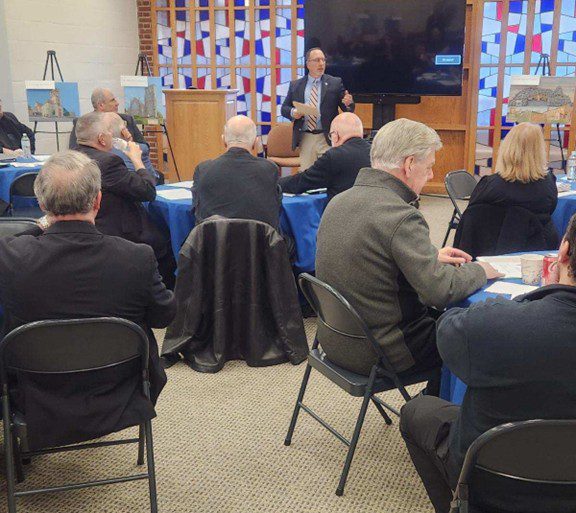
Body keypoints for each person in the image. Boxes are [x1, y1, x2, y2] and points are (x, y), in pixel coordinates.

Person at [400, 215, 576, 513]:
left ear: (563, 251)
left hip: (491, 483)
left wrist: (532, 300)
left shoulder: (495, 325)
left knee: (416, 411)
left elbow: (446, 331)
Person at [315, 118, 500, 394]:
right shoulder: (400, 215)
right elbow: (441, 291)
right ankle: (439, 409)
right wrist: (481, 270)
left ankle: (433, 400)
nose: (430, 175)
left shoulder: (338, 202)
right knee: (476, 336)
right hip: (382, 352)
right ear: (410, 164)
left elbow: (369, 257)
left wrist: (429, 256)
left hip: (334, 341)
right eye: (429, 167)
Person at [0, 150, 175, 409]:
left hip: (34, 394)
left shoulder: (11, 256)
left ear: (42, 204)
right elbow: (164, 316)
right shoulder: (137, 257)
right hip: (121, 391)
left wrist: (40, 225)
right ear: (98, 201)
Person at [75, 111, 175, 289]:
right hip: (117, 230)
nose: (112, 136)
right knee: (168, 242)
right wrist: (137, 160)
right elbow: (147, 191)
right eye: (109, 132)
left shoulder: (74, 157)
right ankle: (161, 295)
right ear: (101, 139)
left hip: (87, 227)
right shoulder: (108, 162)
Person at [466, 122, 558, 246]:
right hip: (538, 247)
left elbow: (471, 218)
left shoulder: (489, 185)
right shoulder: (548, 184)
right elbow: (552, 210)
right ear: (539, 151)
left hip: (493, 248)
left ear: (507, 148)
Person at [192, 115, 282, 229]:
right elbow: (276, 208)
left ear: (223, 140)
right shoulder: (270, 169)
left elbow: (196, 209)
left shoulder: (203, 169)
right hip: (260, 239)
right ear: (255, 142)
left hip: (213, 239)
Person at [281, 48, 355, 170]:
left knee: (328, 173)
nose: (321, 64)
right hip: (306, 137)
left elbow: (347, 109)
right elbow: (284, 108)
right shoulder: (296, 85)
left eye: (323, 60)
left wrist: (349, 103)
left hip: (327, 137)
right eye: (317, 60)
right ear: (308, 64)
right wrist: (293, 112)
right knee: (307, 174)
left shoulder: (335, 83)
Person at [279, 112, 370, 202]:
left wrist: (275, 183)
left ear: (335, 135)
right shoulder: (374, 152)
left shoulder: (334, 156)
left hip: (341, 209)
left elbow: (303, 181)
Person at [69, 87, 146, 148]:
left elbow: (144, 146)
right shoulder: (83, 123)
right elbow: (74, 150)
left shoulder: (127, 119)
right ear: (101, 105)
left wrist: (129, 144)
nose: (117, 103)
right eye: (112, 100)